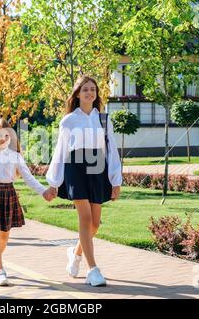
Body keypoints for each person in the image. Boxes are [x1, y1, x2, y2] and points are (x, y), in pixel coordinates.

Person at [46, 76, 122, 287]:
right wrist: (54, 182)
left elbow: (112, 151)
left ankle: (76, 252)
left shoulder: (104, 120)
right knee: (85, 219)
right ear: (77, 94)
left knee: (95, 225)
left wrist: (116, 181)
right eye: (85, 89)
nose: (90, 92)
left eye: (93, 89)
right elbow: (59, 152)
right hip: (75, 169)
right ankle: (93, 270)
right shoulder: (68, 121)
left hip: (97, 168)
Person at [0, 118, 55, 286]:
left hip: (8, 194)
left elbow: (28, 178)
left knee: (4, 238)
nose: (2, 138)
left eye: (6, 135)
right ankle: (1, 271)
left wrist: (44, 191)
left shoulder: (16, 156)